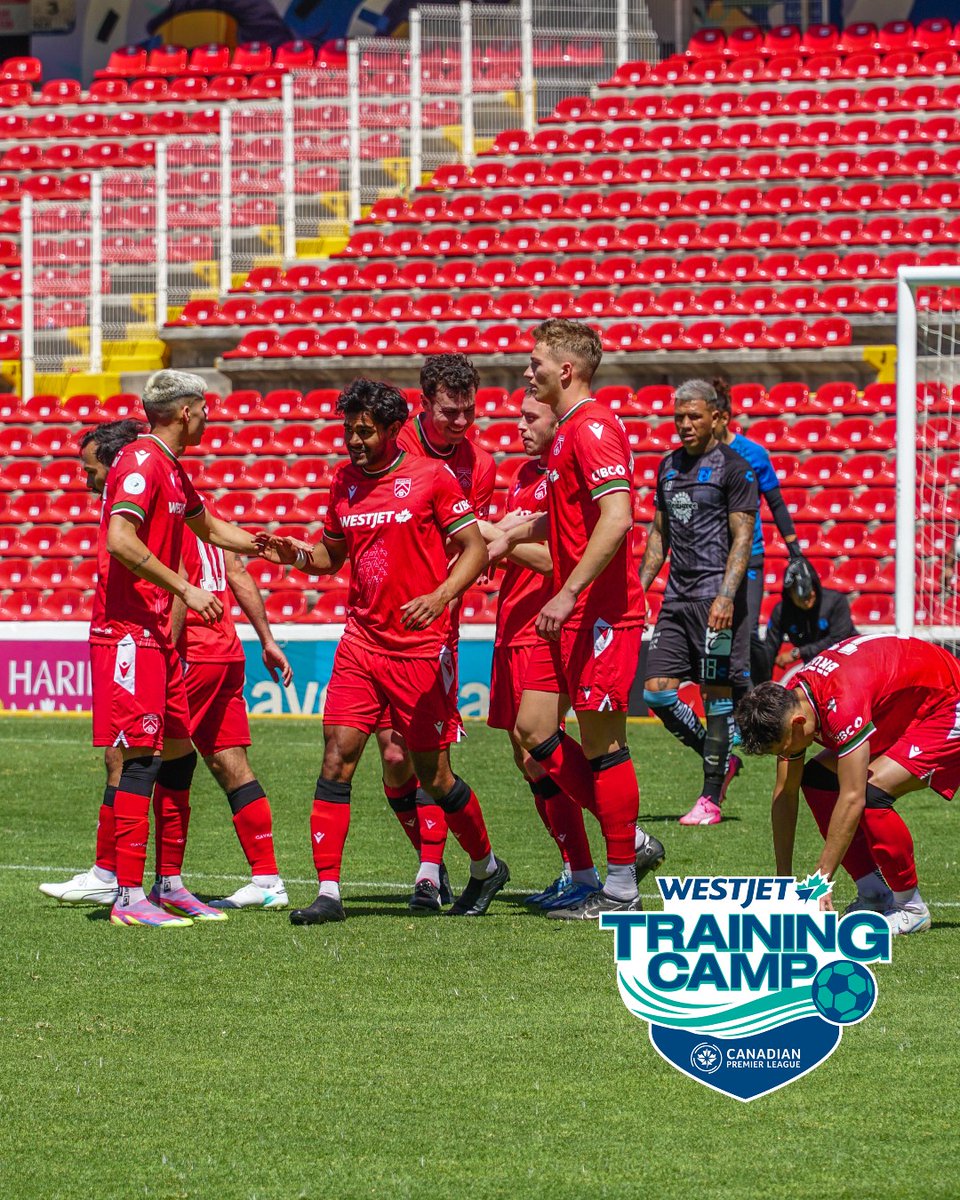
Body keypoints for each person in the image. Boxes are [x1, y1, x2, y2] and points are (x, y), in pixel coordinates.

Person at [261, 378, 509, 924]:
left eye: (365, 431)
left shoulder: (432, 478)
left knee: (431, 775)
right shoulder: (343, 482)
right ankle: (328, 892)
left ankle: (486, 867)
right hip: (360, 643)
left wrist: (443, 595)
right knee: (336, 756)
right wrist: (294, 556)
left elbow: (475, 548)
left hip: (421, 649)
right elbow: (330, 558)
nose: (354, 439)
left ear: (395, 430)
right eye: (349, 429)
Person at [42, 418, 294, 912]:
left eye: (91, 469)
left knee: (130, 755)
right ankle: (256, 879)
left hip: (182, 647)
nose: (87, 479)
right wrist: (266, 637)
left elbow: (176, 577)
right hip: (226, 650)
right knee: (213, 762)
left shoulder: (152, 501)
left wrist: (169, 652)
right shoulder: (180, 488)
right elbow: (236, 567)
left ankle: (111, 873)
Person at [492, 319, 664, 920]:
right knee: (533, 729)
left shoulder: (591, 428)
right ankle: (627, 845)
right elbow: (567, 519)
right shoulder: (566, 433)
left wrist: (565, 593)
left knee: (604, 748)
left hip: (601, 615)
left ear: (564, 370)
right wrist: (506, 533)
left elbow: (616, 518)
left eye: (534, 361)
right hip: (576, 613)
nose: (526, 371)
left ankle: (619, 886)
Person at [88, 370, 266, 928]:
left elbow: (207, 525)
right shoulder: (141, 462)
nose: (210, 417)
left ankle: (169, 885)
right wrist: (185, 587)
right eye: (206, 409)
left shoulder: (170, 465)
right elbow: (120, 539)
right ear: (187, 411)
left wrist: (269, 546)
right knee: (140, 759)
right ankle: (126, 896)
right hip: (130, 634)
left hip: (158, 636)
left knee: (177, 756)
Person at [734, 633, 959, 935]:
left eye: (785, 749)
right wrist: (782, 883)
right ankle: (875, 893)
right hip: (900, 703)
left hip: (947, 703)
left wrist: (820, 880)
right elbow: (785, 793)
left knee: (870, 793)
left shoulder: (842, 701)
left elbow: (853, 798)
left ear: (798, 724)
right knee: (817, 780)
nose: (786, 757)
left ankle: (910, 907)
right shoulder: (791, 702)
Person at [374, 354, 497, 899]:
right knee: (392, 759)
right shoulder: (392, 445)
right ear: (424, 402)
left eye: (469, 410)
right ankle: (432, 861)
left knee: (420, 754)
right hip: (377, 621)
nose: (462, 421)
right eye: (450, 411)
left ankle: (429, 871)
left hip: (434, 625)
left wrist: (441, 594)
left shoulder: (481, 464)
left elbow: (464, 544)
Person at [480, 390, 601, 911]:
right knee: (525, 757)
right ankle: (579, 869)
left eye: (532, 418)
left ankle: (621, 847)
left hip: (544, 627)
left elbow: (560, 558)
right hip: (512, 623)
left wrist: (497, 539)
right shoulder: (526, 476)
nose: (521, 428)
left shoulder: (566, 476)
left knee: (539, 746)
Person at [640, 377, 759, 827]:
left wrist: (728, 596)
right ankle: (723, 758)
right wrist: (640, 586)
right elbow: (658, 534)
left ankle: (710, 797)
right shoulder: (668, 467)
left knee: (715, 699)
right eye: (678, 418)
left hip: (716, 601)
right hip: (676, 599)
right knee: (657, 693)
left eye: (693, 417)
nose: (685, 425)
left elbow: (742, 536)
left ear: (716, 418)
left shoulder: (734, 468)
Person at [713, 377, 804, 697]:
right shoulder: (696, 455)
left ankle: (765, 693)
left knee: (748, 632)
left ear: (722, 417)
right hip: (711, 561)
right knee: (718, 632)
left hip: (749, 554)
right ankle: (733, 707)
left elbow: (776, 502)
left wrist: (794, 548)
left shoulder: (753, 454)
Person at [758, 557, 857, 681]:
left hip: (845, 662)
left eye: (810, 591)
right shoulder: (782, 611)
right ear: (790, 594)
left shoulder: (836, 601)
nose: (809, 598)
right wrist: (763, 681)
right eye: (802, 597)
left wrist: (799, 652)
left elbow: (840, 638)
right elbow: (770, 647)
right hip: (814, 668)